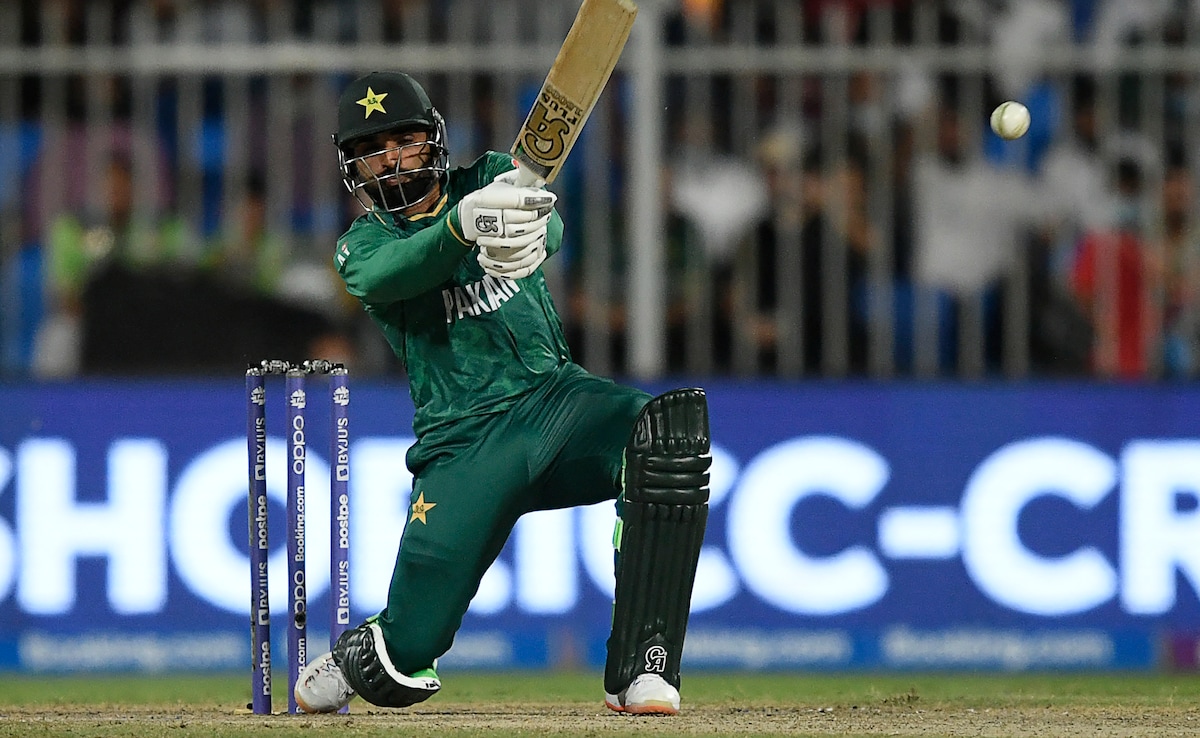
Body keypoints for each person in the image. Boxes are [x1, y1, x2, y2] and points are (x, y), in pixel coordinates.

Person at [293, 71, 712, 716]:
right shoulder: (362, 245)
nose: (393, 160)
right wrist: (462, 228)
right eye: (373, 150)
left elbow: (553, 229)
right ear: (353, 166)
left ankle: (642, 667)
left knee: (664, 436)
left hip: (559, 404)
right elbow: (396, 272)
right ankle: (364, 652)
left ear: (434, 139)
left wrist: (531, 233)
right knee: (399, 664)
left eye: (404, 141)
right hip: (465, 446)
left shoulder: (491, 175)